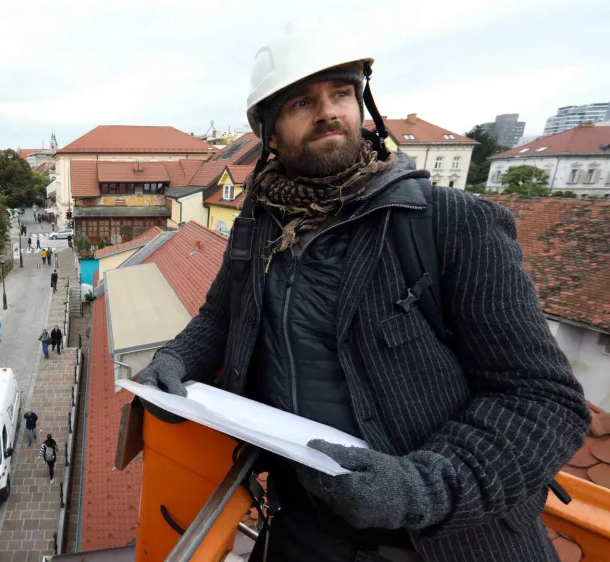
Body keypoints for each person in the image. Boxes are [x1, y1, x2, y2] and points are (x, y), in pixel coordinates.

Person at [134, 27, 589, 562]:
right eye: (302, 102)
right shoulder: (258, 227)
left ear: (362, 103)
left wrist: (419, 488)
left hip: (446, 541)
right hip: (305, 529)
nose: (328, 112)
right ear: (271, 134)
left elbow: (545, 400)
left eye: (341, 94)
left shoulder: (451, 224)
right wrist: (179, 356)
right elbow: (221, 315)